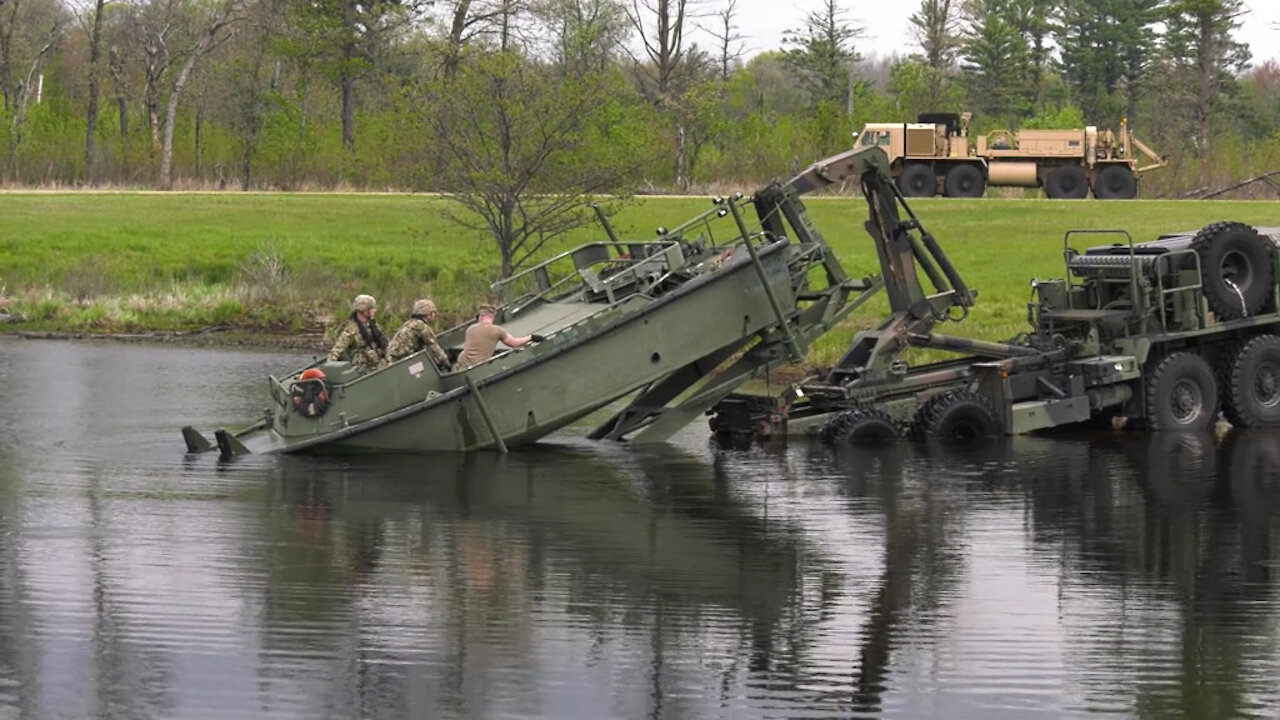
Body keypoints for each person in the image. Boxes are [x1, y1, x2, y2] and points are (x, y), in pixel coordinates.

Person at [454, 304, 544, 371]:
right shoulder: (497, 330)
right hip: (477, 369)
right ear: (492, 317)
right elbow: (514, 343)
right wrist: (531, 337)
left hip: (462, 365)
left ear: (481, 317)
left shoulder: (470, 329)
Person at [327, 293, 387, 373]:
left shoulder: (372, 325)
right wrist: (329, 367)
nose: (374, 311)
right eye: (371, 308)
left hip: (376, 364)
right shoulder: (351, 330)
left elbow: (382, 341)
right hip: (362, 369)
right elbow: (337, 350)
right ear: (364, 310)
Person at [386, 298, 450, 369]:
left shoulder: (408, 323)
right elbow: (434, 347)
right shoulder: (421, 327)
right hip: (403, 361)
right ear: (428, 314)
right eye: (433, 313)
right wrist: (446, 362)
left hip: (392, 359)